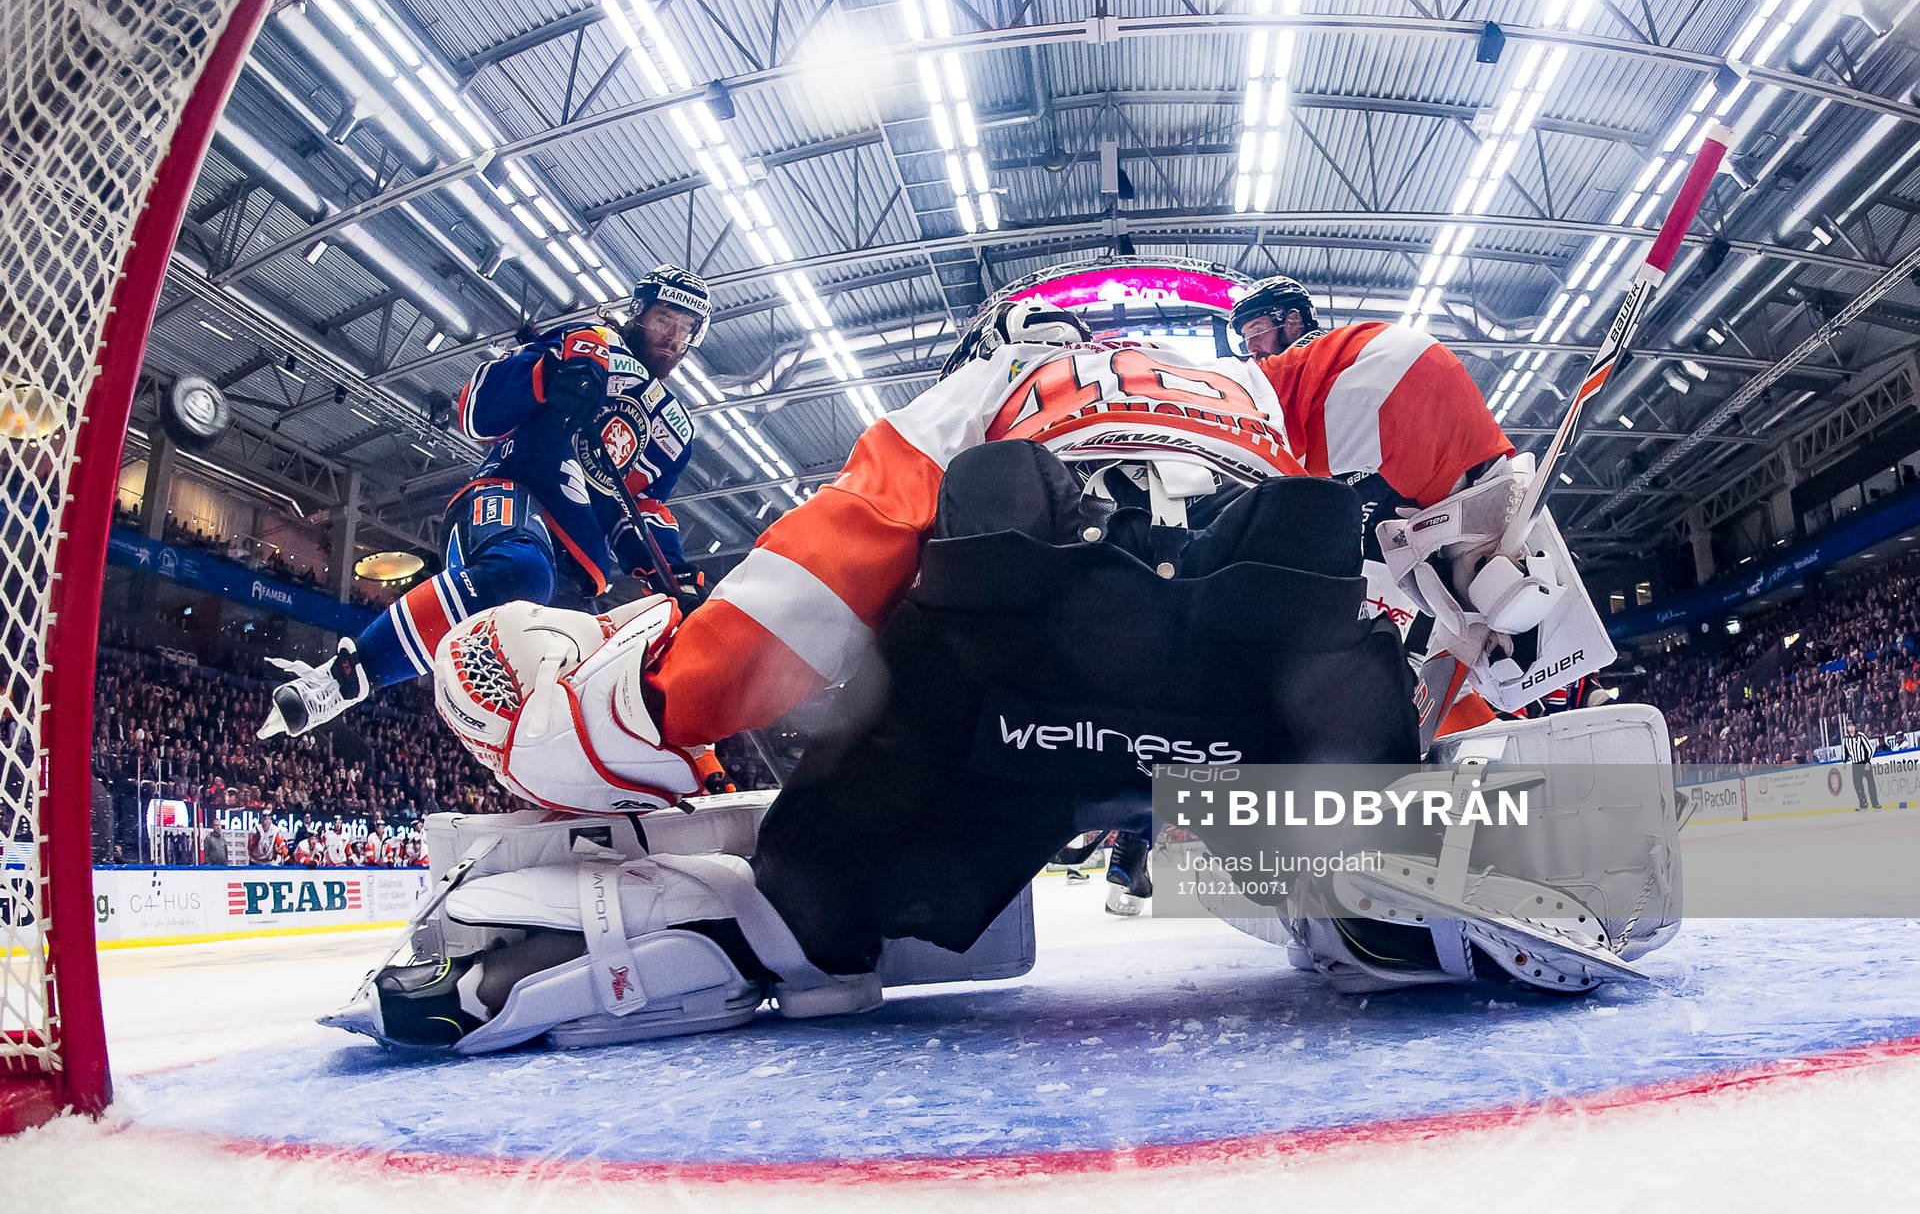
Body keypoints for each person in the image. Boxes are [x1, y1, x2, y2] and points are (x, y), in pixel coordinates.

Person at [333, 289, 1626, 1053]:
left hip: (1020, 670)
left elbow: (818, 579)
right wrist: (1503, 689)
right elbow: (1420, 378)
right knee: (1319, 584)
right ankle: (1387, 881)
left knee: (810, 891)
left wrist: (648, 710)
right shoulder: (1269, 384)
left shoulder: (996, 379)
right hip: (1266, 682)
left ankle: (667, 939)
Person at [258, 266, 715, 739]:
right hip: (513, 502)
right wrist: (545, 375)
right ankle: (344, 678)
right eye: (666, 319)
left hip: (576, 573)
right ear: (637, 312)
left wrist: (674, 574)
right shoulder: (588, 342)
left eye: (686, 330)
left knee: (571, 698)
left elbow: (637, 513)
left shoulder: (676, 433)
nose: (673, 338)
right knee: (522, 570)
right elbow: (475, 410)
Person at [1229, 275, 1322, 357]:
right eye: (1246, 337)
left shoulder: (1331, 361)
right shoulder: (1296, 372)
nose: (1250, 347)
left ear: (1294, 321)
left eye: (1258, 331)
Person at [1843, 721, 1883, 810]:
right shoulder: (1846, 739)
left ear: (1855, 727)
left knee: (1871, 784)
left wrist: (1868, 761)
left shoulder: (1861, 736)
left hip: (1864, 763)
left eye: (1852, 726)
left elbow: (1869, 749)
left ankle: (1875, 804)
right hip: (1855, 765)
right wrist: (1844, 761)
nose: (1850, 728)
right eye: (1848, 726)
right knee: (1857, 785)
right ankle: (1863, 804)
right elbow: (1845, 751)